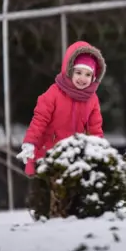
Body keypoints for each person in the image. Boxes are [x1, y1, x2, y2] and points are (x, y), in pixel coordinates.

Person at [15, 41, 105, 175]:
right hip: (48, 154)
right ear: (69, 71)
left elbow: (95, 129)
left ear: (93, 77)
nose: (82, 78)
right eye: (78, 72)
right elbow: (40, 120)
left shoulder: (92, 99)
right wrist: (30, 143)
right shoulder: (54, 93)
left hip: (73, 157)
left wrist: (99, 151)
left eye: (88, 75)